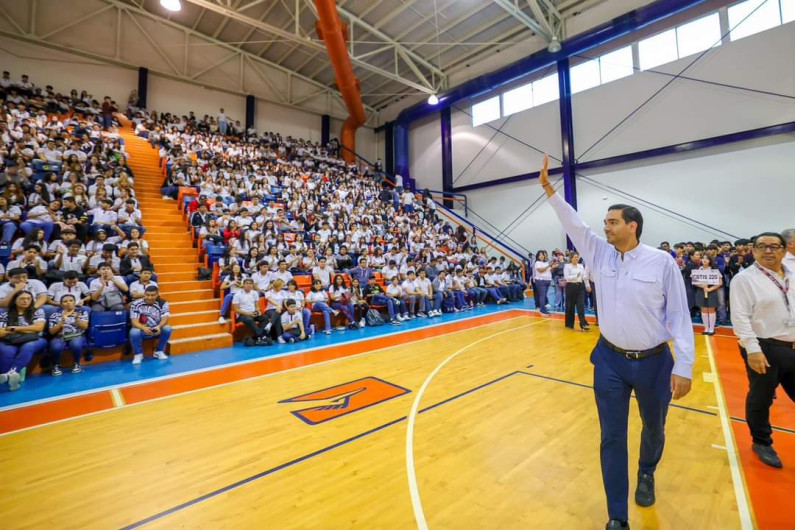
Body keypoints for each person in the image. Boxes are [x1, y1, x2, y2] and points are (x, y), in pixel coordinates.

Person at [538, 154, 693, 530]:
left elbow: (679, 315)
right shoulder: (598, 252)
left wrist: (684, 365)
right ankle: (617, 516)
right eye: (605, 222)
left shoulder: (661, 262)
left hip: (654, 361)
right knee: (612, 435)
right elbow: (573, 223)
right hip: (609, 360)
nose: (605, 227)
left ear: (632, 226)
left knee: (654, 428)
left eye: (612, 222)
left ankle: (646, 472)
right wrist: (548, 190)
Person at [730, 232, 795, 469]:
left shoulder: (792, 275)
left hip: (792, 345)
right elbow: (740, 317)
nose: (768, 251)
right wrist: (752, 350)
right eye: (762, 246)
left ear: (784, 250)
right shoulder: (745, 279)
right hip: (764, 347)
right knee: (761, 397)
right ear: (754, 250)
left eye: (774, 246)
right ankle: (761, 442)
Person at [0, 290, 47, 391]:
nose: (26, 301)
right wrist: (29, 329)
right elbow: (0, 332)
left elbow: (38, 328)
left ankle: (8, 375)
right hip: (11, 340)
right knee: (6, 351)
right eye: (22, 298)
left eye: (28, 299)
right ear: (15, 300)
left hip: (34, 339)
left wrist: (14, 328)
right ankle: (11, 380)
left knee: (28, 347)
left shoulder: (37, 311)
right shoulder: (5, 313)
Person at [128, 285, 172, 364]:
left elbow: (165, 319)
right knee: (134, 332)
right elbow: (134, 322)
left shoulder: (163, 303)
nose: (149, 297)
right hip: (142, 329)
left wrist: (158, 327)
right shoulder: (136, 304)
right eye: (147, 295)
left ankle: (159, 351)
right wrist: (143, 328)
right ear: (144, 294)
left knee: (167, 328)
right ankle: (138, 354)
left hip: (156, 329)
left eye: (152, 295)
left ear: (157, 295)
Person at [47, 294, 89, 376]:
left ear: (74, 302)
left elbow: (85, 326)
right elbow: (52, 331)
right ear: (61, 304)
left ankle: (77, 363)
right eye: (65, 301)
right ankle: (56, 365)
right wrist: (62, 321)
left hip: (77, 335)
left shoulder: (81, 312)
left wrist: (77, 319)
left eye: (71, 301)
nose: (68, 303)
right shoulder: (55, 315)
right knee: (56, 346)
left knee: (76, 344)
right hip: (60, 336)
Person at [233, 278, 272, 345]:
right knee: (249, 319)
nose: (249, 285)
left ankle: (258, 337)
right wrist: (248, 313)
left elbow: (257, 306)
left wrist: (257, 311)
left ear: (252, 285)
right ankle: (262, 336)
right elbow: (236, 309)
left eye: (250, 284)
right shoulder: (237, 295)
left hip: (253, 313)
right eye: (247, 283)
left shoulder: (255, 293)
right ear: (243, 284)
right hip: (242, 315)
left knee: (265, 318)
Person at [694, 256, 722, 335]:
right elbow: (694, 281)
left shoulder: (714, 271)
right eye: (703, 258)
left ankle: (711, 329)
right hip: (701, 291)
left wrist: (710, 289)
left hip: (711, 291)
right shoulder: (698, 270)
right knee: (703, 309)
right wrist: (702, 286)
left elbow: (720, 282)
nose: (704, 260)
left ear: (710, 261)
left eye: (706, 258)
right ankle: (706, 328)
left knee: (711, 309)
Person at [564, 252, 590, 331]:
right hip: (571, 287)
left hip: (580, 287)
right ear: (571, 258)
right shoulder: (567, 266)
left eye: (577, 257)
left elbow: (584, 276)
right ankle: (569, 324)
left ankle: (583, 324)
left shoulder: (581, 266)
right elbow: (566, 277)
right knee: (570, 306)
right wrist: (576, 276)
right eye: (575, 257)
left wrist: (587, 285)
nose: (577, 258)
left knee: (581, 306)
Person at [533, 250, 552, 315]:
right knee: (542, 295)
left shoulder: (546, 263)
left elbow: (549, 271)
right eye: (540, 255)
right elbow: (540, 270)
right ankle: (542, 309)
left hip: (547, 280)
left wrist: (553, 267)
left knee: (544, 295)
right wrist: (549, 266)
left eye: (542, 255)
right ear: (538, 256)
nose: (541, 256)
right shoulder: (537, 263)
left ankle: (543, 308)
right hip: (541, 281)